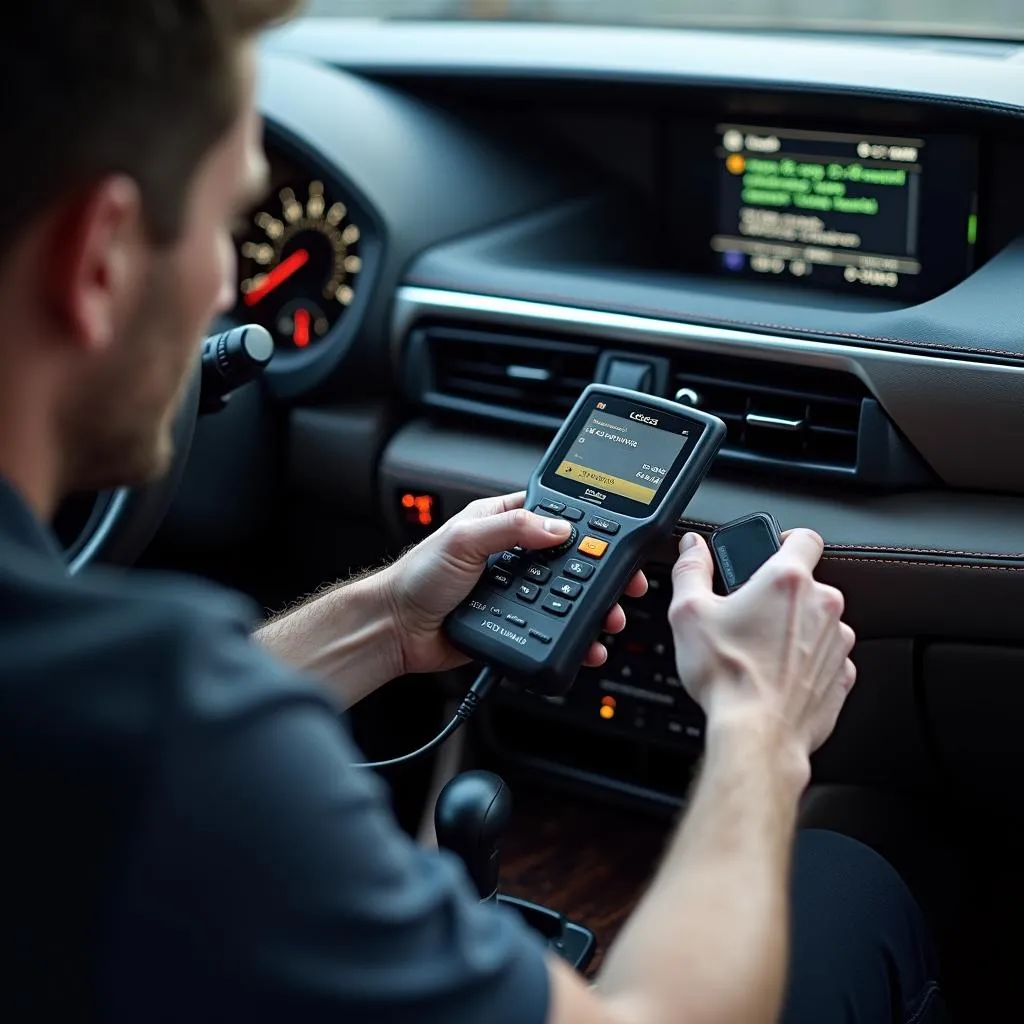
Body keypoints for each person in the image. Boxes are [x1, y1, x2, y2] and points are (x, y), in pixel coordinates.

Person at [0, 2, 947, 1022]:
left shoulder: (94, 708)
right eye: (227, 224)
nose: (232, 287)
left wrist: (387, 620)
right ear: (96, 264)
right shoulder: (181, 751)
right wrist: (760, 724)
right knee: (851, 882)